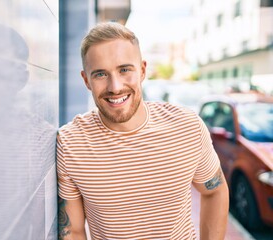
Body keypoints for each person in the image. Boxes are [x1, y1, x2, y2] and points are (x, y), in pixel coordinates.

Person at [57, 22, 229, 240]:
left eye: (125, 70)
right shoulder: (71, 142)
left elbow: (214, 191)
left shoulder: (187, 126)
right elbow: (73, 231)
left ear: (143, 70)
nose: (115, 86)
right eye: (100, 74)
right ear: (86, 80)